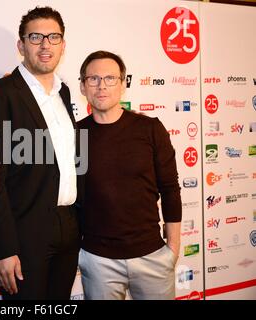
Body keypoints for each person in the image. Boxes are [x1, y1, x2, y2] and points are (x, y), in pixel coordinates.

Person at [0, 6, 80, 300]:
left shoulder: (65, 93)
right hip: (25, 233)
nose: (45, 45)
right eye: (36, 37)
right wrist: (3, 247)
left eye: (53, 37)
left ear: (62, 45)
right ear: (21, 45)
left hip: (69, 228)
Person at [77, 50, 182, 300]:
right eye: (93, 79)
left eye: (110, 78)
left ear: (123, 84)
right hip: (97, 260)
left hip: (152, 257)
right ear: (82, 86)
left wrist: (173, 249)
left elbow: (170, 189)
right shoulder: (74, 135)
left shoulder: (150, 129)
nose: (102, 86)